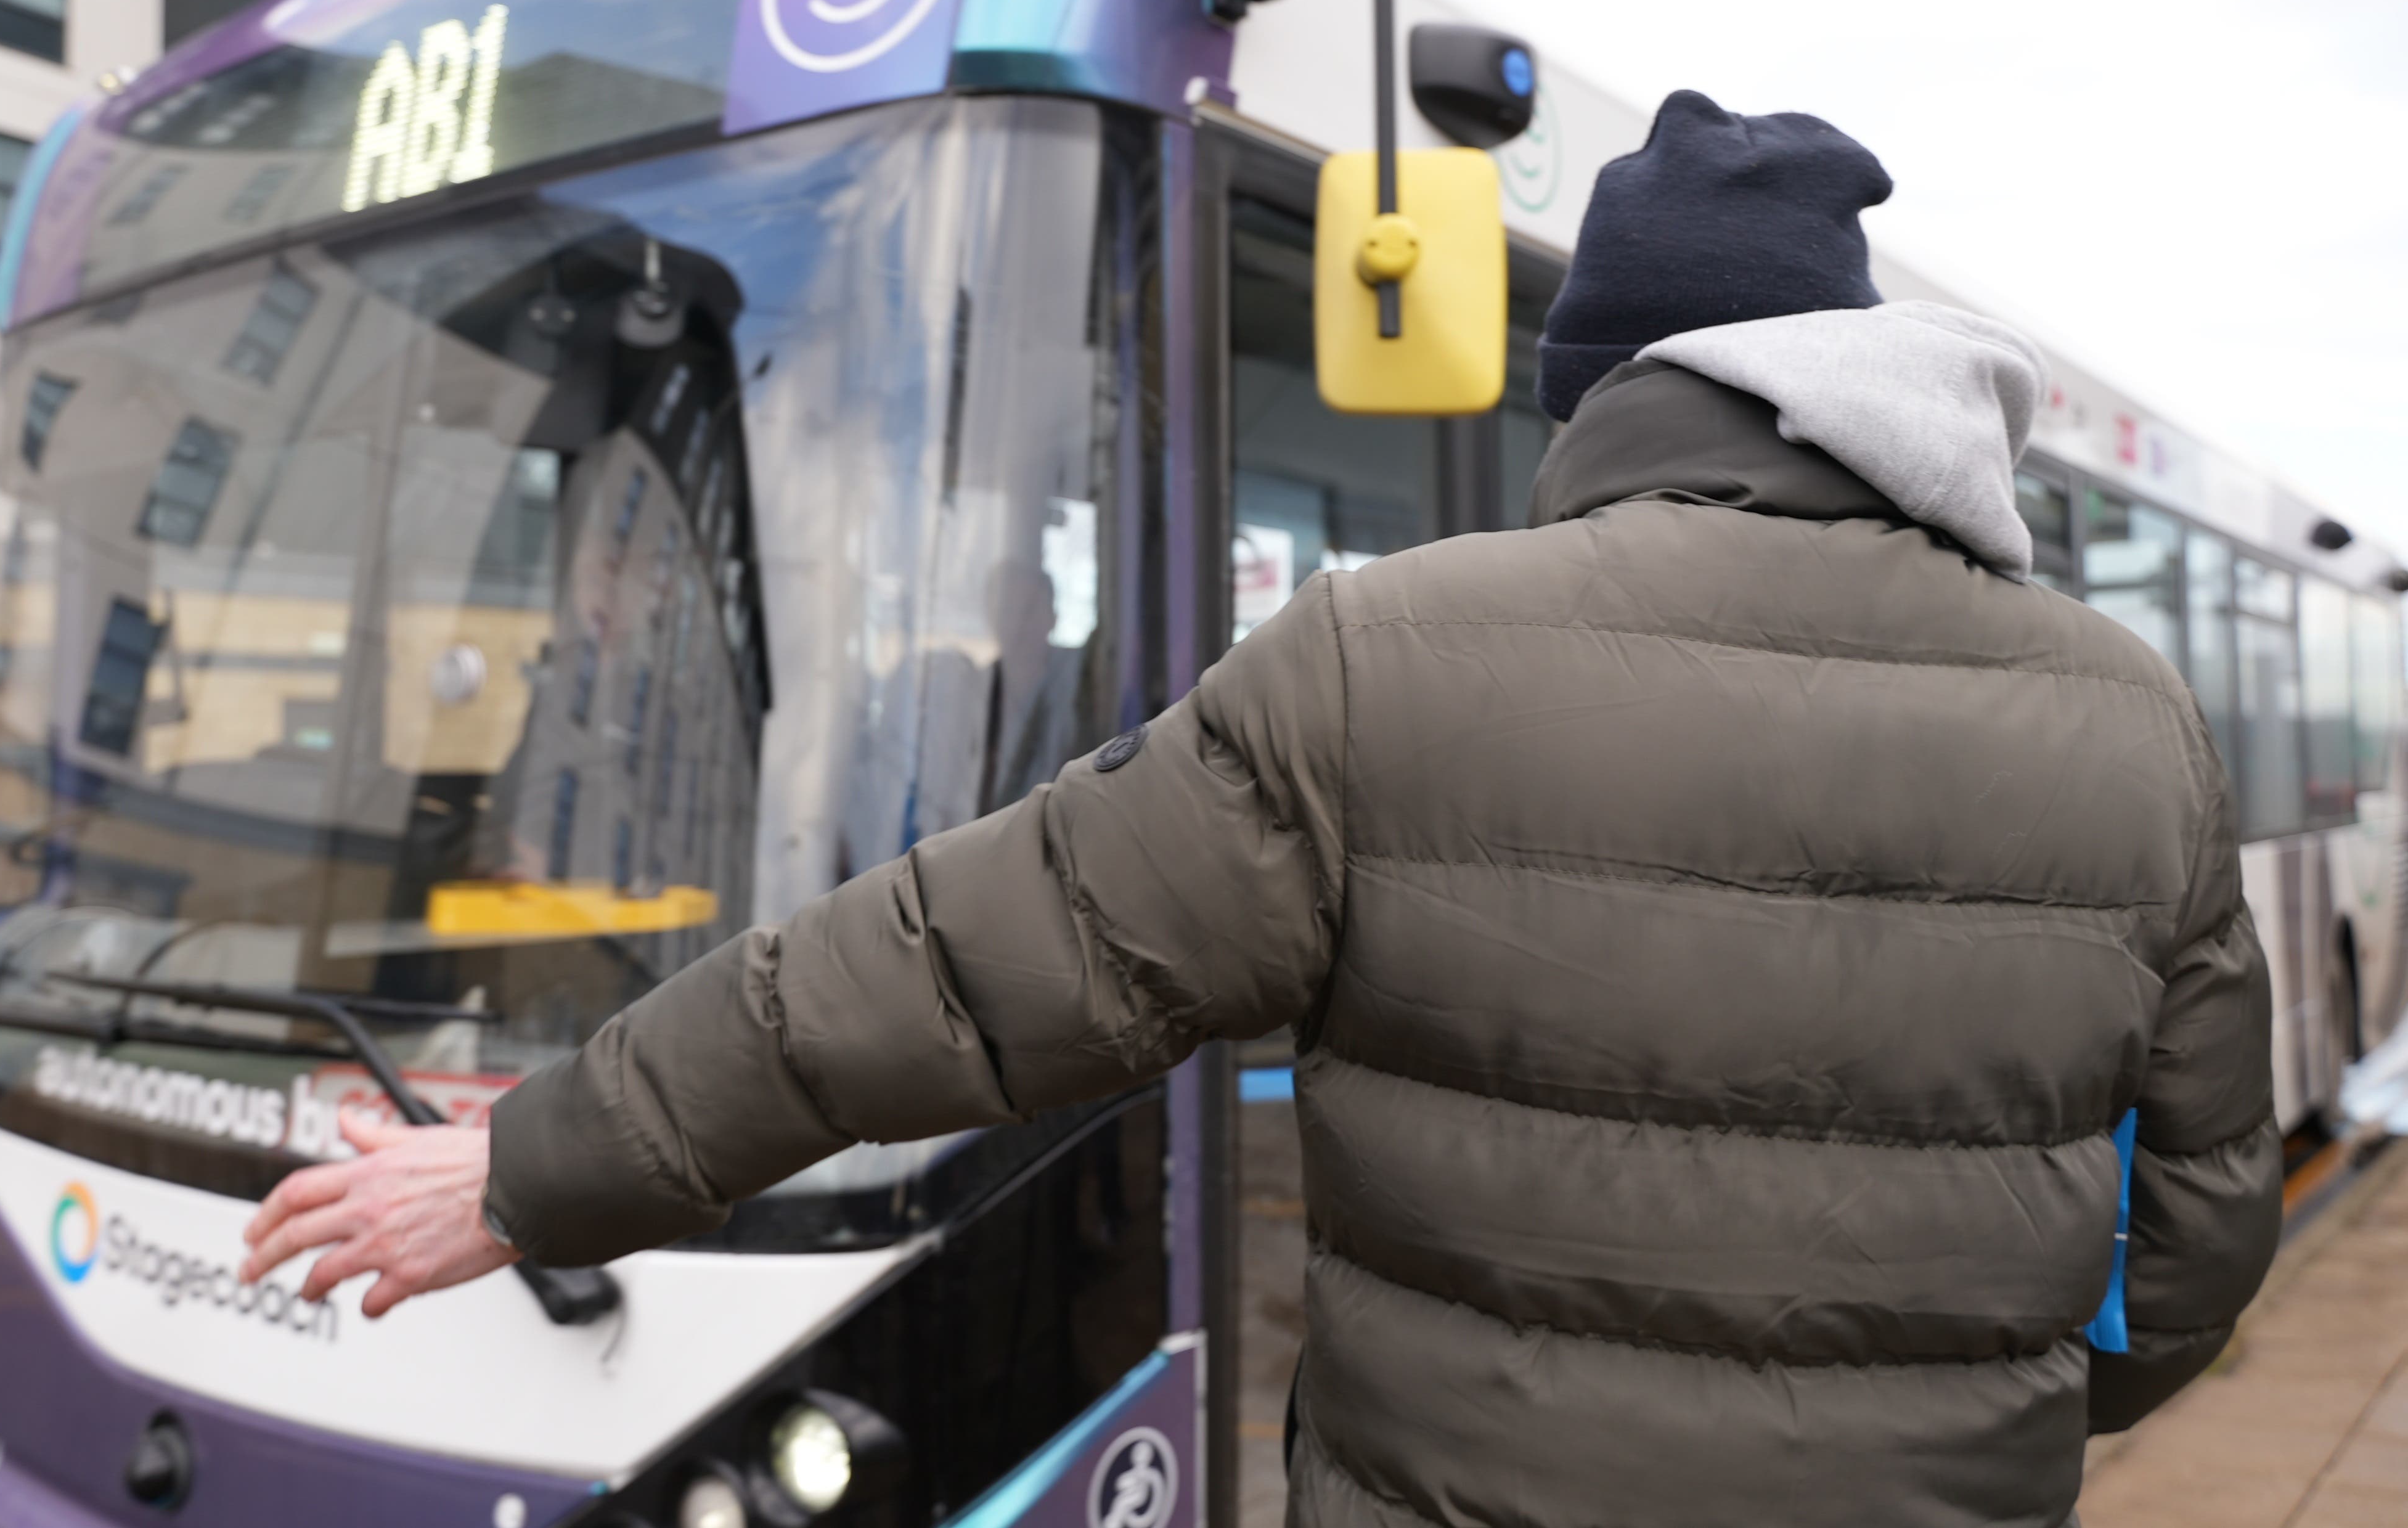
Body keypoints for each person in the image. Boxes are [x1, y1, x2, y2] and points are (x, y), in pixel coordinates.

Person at [245, 91, 2278, 1526]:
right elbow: (2198, 1230)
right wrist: (1971, 1426)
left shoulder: (1391, 655)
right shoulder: (2132, 720)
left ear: (1610, 390)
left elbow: (947, 966)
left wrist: (528, 1168)